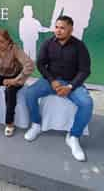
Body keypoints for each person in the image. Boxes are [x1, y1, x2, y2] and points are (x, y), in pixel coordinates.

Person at [24, 15, 93, 162]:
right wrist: (52, 80)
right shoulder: (48, 43)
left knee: (87, 103)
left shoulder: (79, 46)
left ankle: (73, 136)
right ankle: (36, 124)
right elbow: (41, 64)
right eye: (56, 27)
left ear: (70, 29)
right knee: (29, 93)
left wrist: (70, 86)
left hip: (72, 83)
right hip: (51, 81)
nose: (58, 30)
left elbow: (85, 70)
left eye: (62, 28)